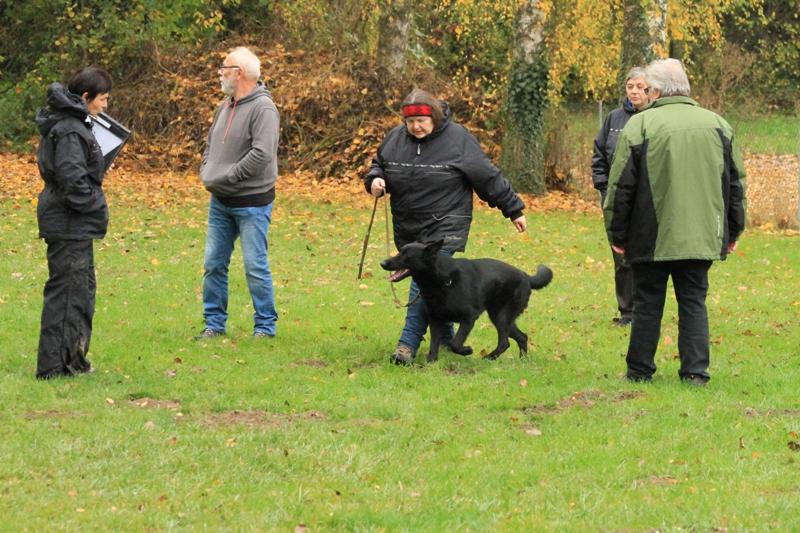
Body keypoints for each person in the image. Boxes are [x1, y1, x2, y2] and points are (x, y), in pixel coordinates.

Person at [603, 58, 746, 385]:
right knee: (694, 302)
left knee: (647, 303)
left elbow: (620, 187)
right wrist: (733, 229)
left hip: (650, 235)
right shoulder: (718, 125)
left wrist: (617, 233)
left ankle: (639, 372)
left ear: (655, 91)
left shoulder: (640, 126)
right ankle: (695, 373)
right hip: (701, 235)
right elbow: (735, 184)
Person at [365, 88, 528, 364]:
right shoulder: (395, 138)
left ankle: (407, 345)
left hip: (444, 226)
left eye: (421, 121)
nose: (416, 127)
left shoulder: (457, 139)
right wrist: (375, 179)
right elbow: (378, 164)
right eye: (410, 121)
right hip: (409, 229)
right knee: (439, 287)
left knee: (424, 284)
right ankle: (446, 339)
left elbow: (486, 176)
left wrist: (513, 208)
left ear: (435, 117)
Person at [194, 47, 280, 340]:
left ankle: (265, 327)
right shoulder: (225, 105)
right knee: (213, 265)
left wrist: (229, 176)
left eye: (224, 68)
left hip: (252, 203)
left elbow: (261, 154)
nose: (220, 73)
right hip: (220, 201)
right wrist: (207, 170)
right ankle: (214, 324)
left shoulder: (264, 109)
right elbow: (210, 144)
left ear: (239, 73)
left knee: (255, 266)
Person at [35, 66, 113, 379]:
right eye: (103, 99)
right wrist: (97, 205)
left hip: (74, 223)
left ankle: (74, 360)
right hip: (68, 222)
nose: (105, 105)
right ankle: (53, 367)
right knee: (67, 293)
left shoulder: (74, 123)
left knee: (80, 292)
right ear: (86, 96)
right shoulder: (69, 129)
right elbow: (72, 183)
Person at [591, 67, 649, 327]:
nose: (634, 91)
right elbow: (599, 157)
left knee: (646, 257)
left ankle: (646, 310)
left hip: (646, 201)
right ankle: (627, 312)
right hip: (616, 201)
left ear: (650, 90)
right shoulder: (614, 119)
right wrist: (605, 190)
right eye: (630, 86)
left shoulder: (655, 117)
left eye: (639, 87)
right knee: (621, 256)